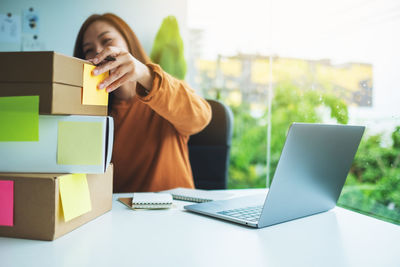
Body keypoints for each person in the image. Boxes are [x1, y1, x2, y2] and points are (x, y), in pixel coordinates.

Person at [73, 13, 211, 192]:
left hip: (173, 213)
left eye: (106, 40)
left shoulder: (162, 93)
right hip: (118, 215)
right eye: (89, 49)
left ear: (128, 42)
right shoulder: (89, 115)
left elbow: (200, 118)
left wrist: (145, 74)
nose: (99, 51)